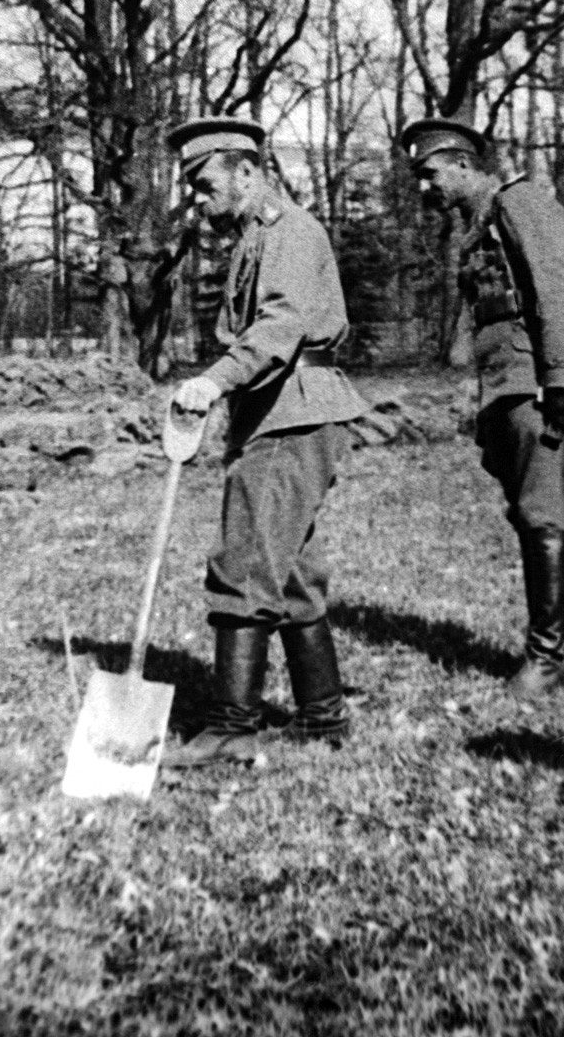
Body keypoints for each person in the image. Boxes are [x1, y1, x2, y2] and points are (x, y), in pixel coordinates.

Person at [161, 117, 366, 768]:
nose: (197, 198)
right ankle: (322, 715)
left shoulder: (289, 234)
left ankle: (231, 727)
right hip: (282, 412)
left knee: (244, 562)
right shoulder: (256, 239)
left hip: (290, 412)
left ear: (246, 172)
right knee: (294, 570)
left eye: (203, 183)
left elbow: (280, 326)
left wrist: (214, 382)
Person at [399, 117, 564, 696]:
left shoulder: (521, 202)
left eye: (430, 174)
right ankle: (548, 646)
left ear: (464, 164)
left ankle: (549, 657)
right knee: (526, 514)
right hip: (502, 384)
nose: (425, 189)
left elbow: (560, 288)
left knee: (542, 513)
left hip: (535, 382)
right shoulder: (477, 226)